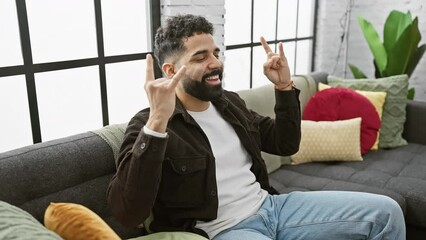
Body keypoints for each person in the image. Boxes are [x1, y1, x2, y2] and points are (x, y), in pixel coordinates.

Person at [107, 14, 406, 240]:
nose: (215, 63)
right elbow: (128, 211)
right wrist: (157, 121)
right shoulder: (149, 124)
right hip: (226, 230)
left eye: (215, 53)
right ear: (170, 70)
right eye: (201, 57)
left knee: (387, 213)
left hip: (274, 208)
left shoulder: (230, 104)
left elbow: (285, 144)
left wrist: (285, 87)